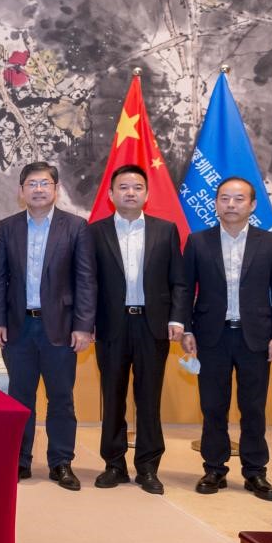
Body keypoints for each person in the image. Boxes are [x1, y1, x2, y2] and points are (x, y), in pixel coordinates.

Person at [181, 176, 272, 502]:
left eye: (239, 199)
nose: (231, 204)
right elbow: (184, 289)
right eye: (225, 198)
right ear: (216, 203)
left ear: (252, 205)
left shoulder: (270, 243)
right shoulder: (198, 242)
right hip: (210, 336)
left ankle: (255, 472)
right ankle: (214, 469)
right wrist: (186, 329)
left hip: (255, 337)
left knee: (253, 408)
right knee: (213, 406)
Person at [0, 161, 95, 490]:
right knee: (20, 398)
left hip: (61, 327)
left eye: (44, 183)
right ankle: (20, 461)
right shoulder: (7, 227)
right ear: (21, 191)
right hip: (18, 327)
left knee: (61, 397)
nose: (38, 189)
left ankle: (61, 462)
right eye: (31, 184)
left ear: (56, 189)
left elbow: (85, 280)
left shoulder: (75, 227)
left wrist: (83, 326)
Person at [89, 165, 188, 495]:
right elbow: (87, 282)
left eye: (137, 187)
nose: (130, 192)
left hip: (152, 325)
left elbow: (179, 281)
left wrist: (177, 319)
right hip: (111, 325)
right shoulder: (95, 232)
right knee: (112, 397)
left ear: (147, 194)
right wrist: (86, 322)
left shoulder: (165, 230)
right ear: (111, 194)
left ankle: (148, 467)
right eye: (123, 187)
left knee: (149, 399)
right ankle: (114, 464)